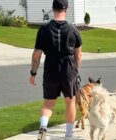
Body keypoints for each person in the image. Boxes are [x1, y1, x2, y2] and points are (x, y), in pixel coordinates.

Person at [29, 0, 82, 139]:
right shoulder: (74, 30)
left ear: (53, 9)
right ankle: (69, 135)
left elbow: (37, 55)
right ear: (66, 10)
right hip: (68, 69)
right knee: (70, 102)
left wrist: (33, 73)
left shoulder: (43, 29)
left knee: (48, 103)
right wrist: (76, 72)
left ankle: (43, 127)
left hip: (50, 68)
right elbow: (78, 55)